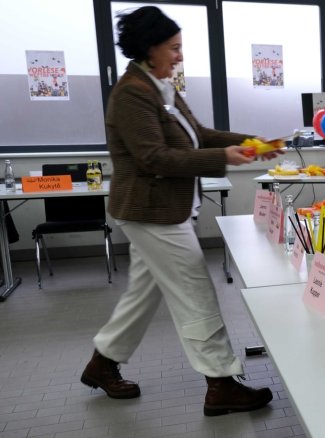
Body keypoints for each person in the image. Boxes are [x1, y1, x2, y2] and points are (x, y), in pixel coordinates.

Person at [81, 6, 274, 416]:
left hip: (164, 209)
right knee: (196, 293)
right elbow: (154, 157)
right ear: (150, 49)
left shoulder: (161, 87)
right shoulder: (132, 93)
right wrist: (223, 156)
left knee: (143, 292)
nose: (180, 56)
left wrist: (253, 141)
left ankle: (102, 363)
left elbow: (198, 136)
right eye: (174, 48)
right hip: (151, 212)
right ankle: (221, 384)